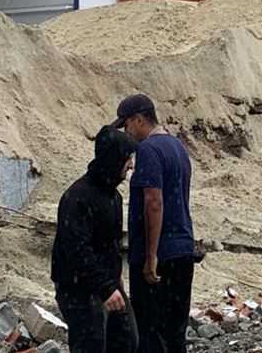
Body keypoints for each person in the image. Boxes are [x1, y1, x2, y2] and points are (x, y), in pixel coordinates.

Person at [111, 94, 195, 353]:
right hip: (183, 250)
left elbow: (154, 202)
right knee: (175, 331)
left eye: (126, 125)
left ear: (138, 120)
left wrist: (150, 257)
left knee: (150, 332)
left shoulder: (147, 149)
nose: (126, 132)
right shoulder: (178, 147)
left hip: (160, 255)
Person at [51, 126, 138, 353]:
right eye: (127, 158)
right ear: (113, 159)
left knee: (127, 342)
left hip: (107, 284)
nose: (131, 165)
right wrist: (105, 288)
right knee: (90, 346)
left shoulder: (114, 197)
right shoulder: (77, 198)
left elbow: (111, 247)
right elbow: (77, 250)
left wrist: (113, 284)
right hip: (78, 290)